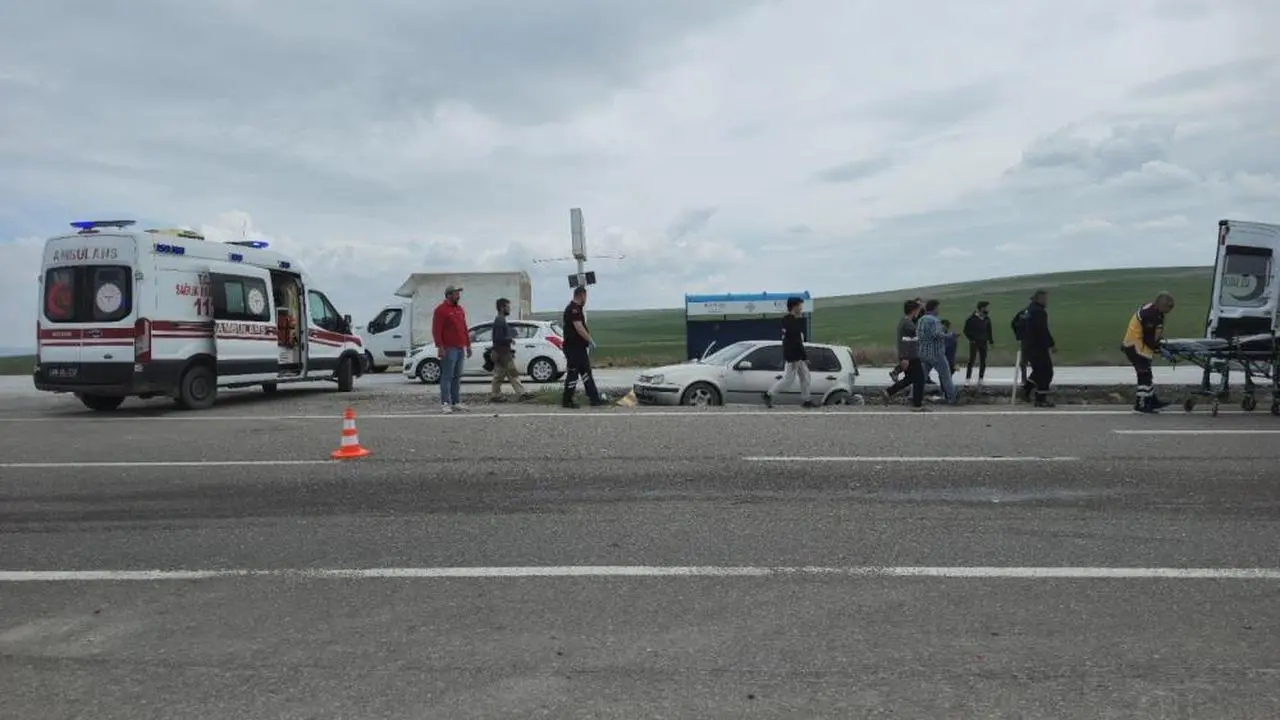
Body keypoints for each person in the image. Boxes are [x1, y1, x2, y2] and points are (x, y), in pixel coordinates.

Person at [1121, 292, 1176, 413]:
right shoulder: (1150, 315)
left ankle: (1151, 401)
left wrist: (1157, 345)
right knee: (1144, 376)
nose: (1170, 311)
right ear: (1163, 306)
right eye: (1169, 308)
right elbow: (1148, 338)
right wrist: (1159, 349)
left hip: (1136, 345)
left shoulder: (1154, 310)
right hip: (1135, 346)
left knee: (1147, 375)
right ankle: (1141, 405)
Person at [763, 297, 815, 408]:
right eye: (800, 306)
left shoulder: (789, 321)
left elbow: (793, 340)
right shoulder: (791, 322)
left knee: (805, 377)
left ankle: (806, 400)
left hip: (796, 356)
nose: (801, 308)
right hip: (794, 356)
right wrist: (798, 358)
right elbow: (794, 341)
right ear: (795, 306)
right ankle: (769, 394)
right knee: (789, 379)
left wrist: (802, 357)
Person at [561, 285, 604, 408]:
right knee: (573, 373)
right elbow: (579, 327)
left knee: (586, 373)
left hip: (579, 347)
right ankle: (567, 400)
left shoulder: (577, 309)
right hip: (573, 348)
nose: (586, 299)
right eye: (586, 296)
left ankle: (594, 399)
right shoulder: (573, 309)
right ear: (582, 295)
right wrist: (590, 340)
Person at [431, 284, 472, 413]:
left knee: (457, 376)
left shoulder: (459, 309)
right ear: (449, 295)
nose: (458, 296)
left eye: (459, 293)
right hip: (449, 348)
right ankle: (445, 402)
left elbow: (464, 328)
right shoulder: (441, 310)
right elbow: (436, 330)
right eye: (456, 293)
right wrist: (440, 346)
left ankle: (455, 402)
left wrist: (468, 345)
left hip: (460, 347)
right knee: (447, 376)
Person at [884, 300, 926, 411]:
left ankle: (889, 392)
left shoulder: (905, 321)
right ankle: (917, 404)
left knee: (910, 378)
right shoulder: (908, 324)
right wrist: (904, 358)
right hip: (910, 356)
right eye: (917, 310)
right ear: (913, 310)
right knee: (920, 379)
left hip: (910, 355)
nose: (918, 312)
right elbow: (906, 341)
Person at [489, 297, 533, 403]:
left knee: (502, 374)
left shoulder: (500, 320)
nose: (509, 309)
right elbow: (498, 338)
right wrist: (510, 339)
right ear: (502, 308)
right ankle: (520, 393)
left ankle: (496, 395)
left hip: (502, 352)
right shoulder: (500, 320)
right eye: (508, 307)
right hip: (502, 353)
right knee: (511, 373)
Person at [1019, 289, 1056, 407]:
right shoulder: (1039, 312)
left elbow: (1016, 323)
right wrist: (1051, 344)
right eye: (1045, 299)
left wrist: (1021, 337)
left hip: (1028, 345)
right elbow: (1042, 330)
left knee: (1038, 371)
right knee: (1046, 372)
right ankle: (1040, 399)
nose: (1046, 301)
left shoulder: (1027, 310)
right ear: (1039, 299)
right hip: (1038, 346)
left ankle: (1025, 391)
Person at [917, 299, 958, 405]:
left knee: (921, 377)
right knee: (946, 376)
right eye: (938, 308)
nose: (939, 310)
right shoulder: (934, 320)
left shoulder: (921, 320)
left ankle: (913, 396)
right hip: (936, 353)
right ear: (934, 308)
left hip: (924, 353)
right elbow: (937, 335)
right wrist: (950, 335)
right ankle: (952, 397)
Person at [963, 300, 994, 385]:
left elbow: (989, 330)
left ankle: (981, 379)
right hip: (974, 342)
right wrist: (971, 339)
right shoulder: (971, 319)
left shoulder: (987, 319)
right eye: (986, 307)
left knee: (983, 361)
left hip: (983, 342)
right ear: (982, 308)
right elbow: (966, 330)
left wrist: (991, 341)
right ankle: (968, 378)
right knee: (971, 360)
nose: (988, 309)